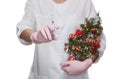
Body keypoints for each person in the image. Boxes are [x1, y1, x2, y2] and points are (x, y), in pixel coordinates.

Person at [16, 0, 106, 79]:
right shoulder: (36, 2)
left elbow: (98, 38)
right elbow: (23, 27)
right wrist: (33, 36)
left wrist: (87, 62)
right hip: (43, 74)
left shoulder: (84, 2)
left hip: (76, 76)